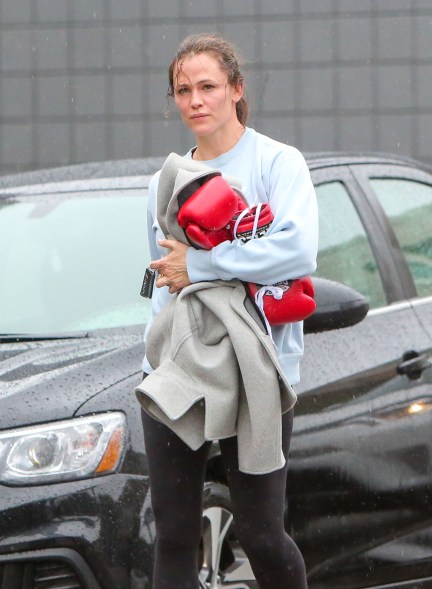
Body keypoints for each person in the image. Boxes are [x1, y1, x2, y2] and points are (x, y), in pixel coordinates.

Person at [138, 33, 318, 589]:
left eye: (208, 87)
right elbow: (168, 276)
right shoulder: (164, 181)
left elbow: (296, 250)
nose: (196, 100)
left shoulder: (278, 163)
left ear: (236, 90)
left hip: (257, 370)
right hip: (179, 368)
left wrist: (205, 266)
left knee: (263, 533)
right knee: (172, 534)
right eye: (184, 90)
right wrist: (189, 275)